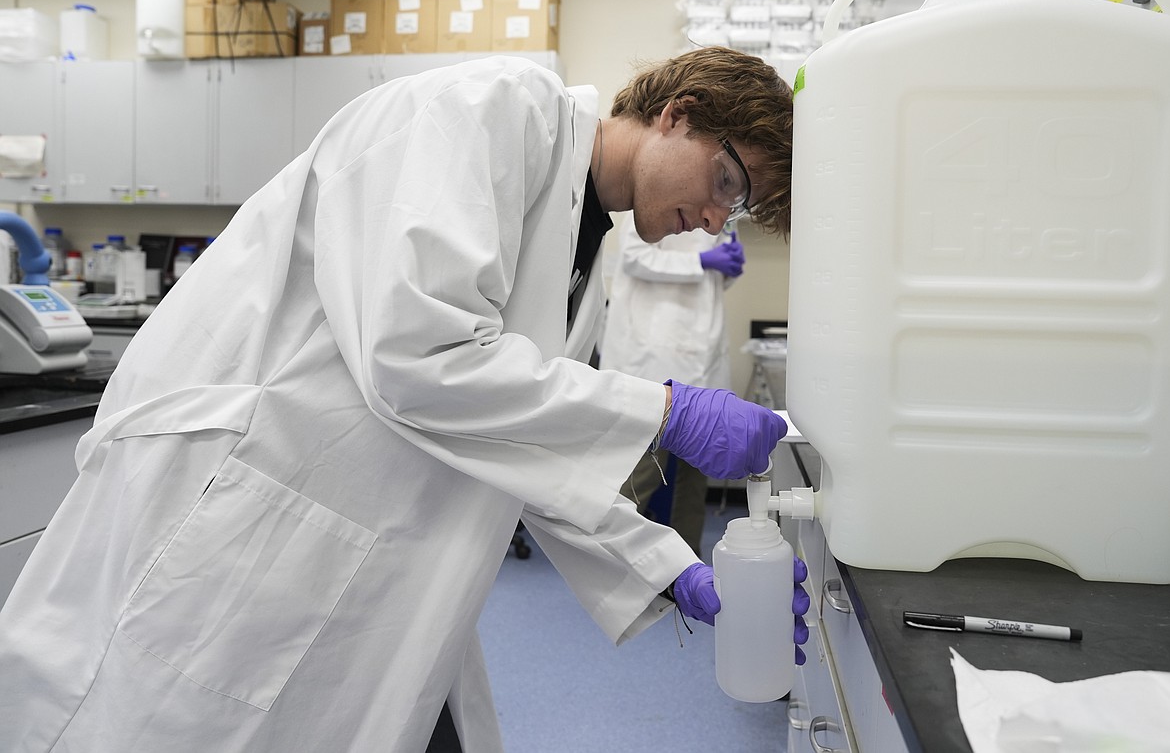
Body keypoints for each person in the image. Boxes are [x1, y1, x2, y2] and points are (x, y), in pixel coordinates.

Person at [0, 47, 808, 752]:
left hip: (373, 547)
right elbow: (417, 355)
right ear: (679, 114)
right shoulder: (491, 109)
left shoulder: (584, 244)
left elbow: (521, 442)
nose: (713, 219)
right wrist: (668, 412)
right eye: (726, 181)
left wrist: (673, 570)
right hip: (248, 513)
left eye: (733, 208)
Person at [600, 214, 745, 554]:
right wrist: (701, 259)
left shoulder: (725, 210)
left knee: (696, 473)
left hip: (703, 352)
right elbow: (635, 257)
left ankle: (684, 566)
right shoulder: (657, 200)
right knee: (646, 471)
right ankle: (608, 556)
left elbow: (712, 277)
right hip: (657, 354)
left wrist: (728, 269)